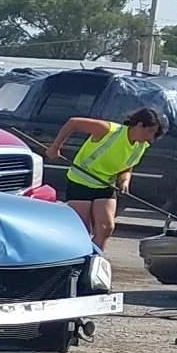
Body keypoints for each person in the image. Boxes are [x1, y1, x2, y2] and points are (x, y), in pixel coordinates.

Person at [48, 105, 164, 249]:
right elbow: (73, 122)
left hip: (105, 185)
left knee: (106, 228)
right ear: (139, 125)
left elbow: (127, 167)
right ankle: (76, 258)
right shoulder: (108, 130)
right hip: (80, 181)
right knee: (82, 228)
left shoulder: (141, 146)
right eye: (150, 131)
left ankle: (94, 258)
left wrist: (124, 182)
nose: (151, 137)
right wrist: (55, 147)